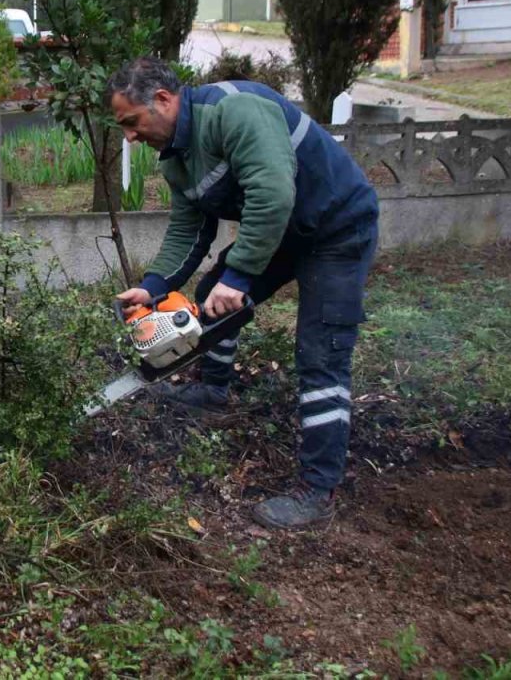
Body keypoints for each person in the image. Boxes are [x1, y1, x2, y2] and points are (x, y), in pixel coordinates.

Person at [108, 57, 378, 530]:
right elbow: (189, 231)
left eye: (131, 122)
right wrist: (153, 288)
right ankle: (214, 390)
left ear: (164, 100)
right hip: (287, 232)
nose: (130, 137)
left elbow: (272, 195)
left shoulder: (236, 112)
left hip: (337, 228)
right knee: (213, 289)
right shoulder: (178, 156)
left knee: (321, 354)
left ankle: (317, 489)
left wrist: (242, 275)